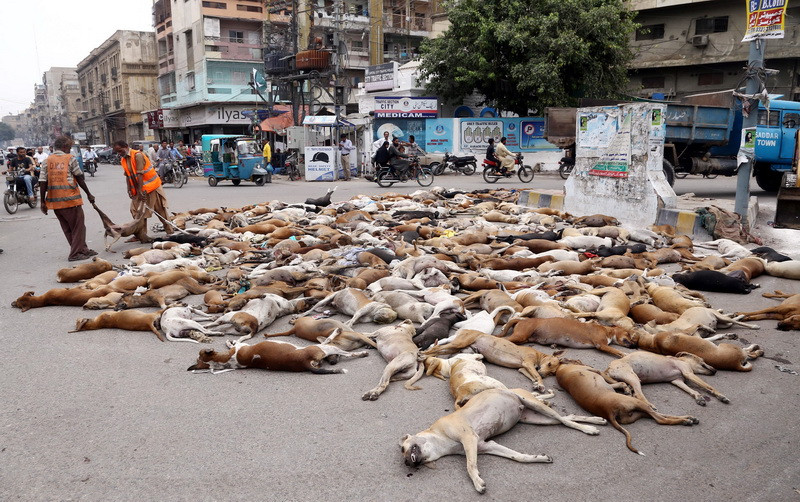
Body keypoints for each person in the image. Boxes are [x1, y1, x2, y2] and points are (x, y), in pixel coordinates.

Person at [39, 136, 97, 261]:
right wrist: (89, 194)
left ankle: (82, 249)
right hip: (70, 199)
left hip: (55, 202)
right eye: (69, 148)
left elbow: (42, 182)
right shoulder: (70, 158)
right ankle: (75, 254)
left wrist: (42, 202)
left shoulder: (46, 161)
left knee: (68, 228)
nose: (70, 150)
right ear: (65, 147)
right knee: (78, 227)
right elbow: (79, 177)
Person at [112, 140, 172, 243]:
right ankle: (140, 234)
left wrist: (140, 191)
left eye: (120, 151)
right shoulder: (123, 159)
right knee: (136, 211)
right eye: (117, 152)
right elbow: (127, 175)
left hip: (151, 187)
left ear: (126, 146)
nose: (119, 153)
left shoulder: (137, 156)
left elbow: (140, 174)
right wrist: (129, 189)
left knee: (159, 209)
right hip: (139, 190)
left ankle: (170, 231)